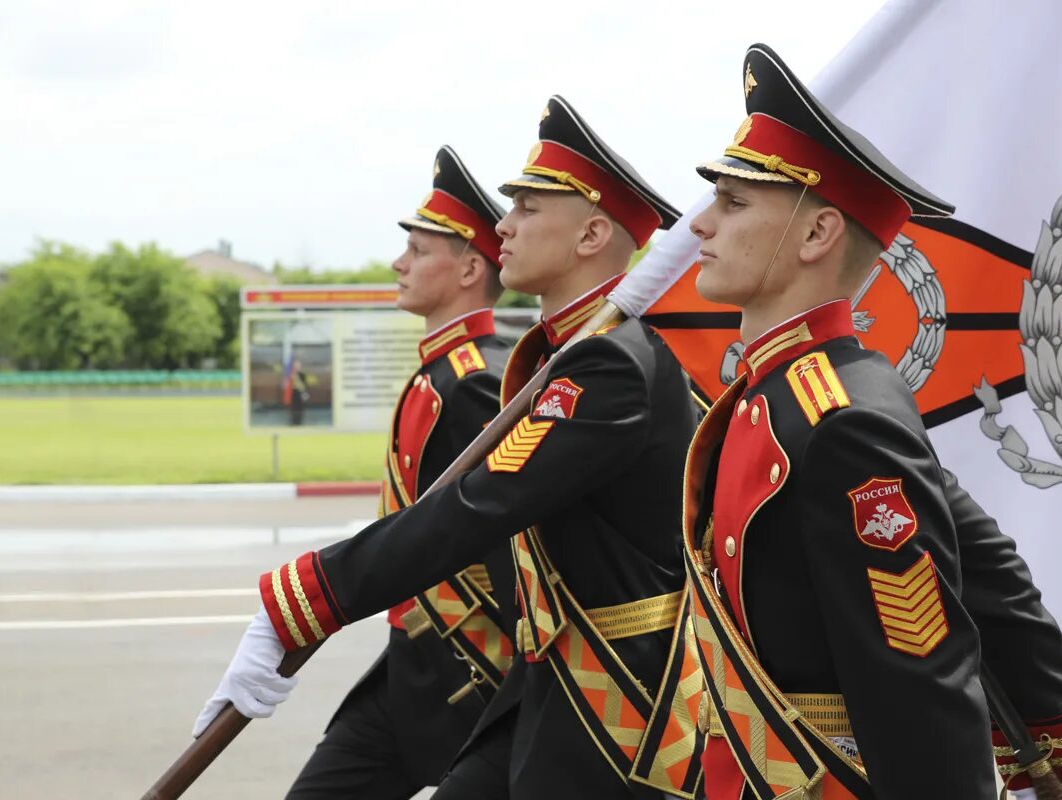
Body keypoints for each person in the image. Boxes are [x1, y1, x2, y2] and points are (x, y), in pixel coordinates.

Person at [195, 95, 694, 799]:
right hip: (549, 685)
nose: (502, 225)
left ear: (589, 237)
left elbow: (474, 510)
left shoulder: (609, 366)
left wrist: (307, 594)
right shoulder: (566, 356)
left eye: (525, 209)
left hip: (614, 701)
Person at [679, 43, 1062, 799]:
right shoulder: (791, 394)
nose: (699, 224)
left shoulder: (839, 419)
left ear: (815, 234)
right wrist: (1059, 724)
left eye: (732, 203)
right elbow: (989, 571)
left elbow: (918, 678)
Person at [197, 146, 515, 798]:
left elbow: (508, 546)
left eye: (420, 250)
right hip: (411, 667)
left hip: (471, 676)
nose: (399, 262)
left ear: (469, 268)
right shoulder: (440, 371)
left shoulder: (474, 383)